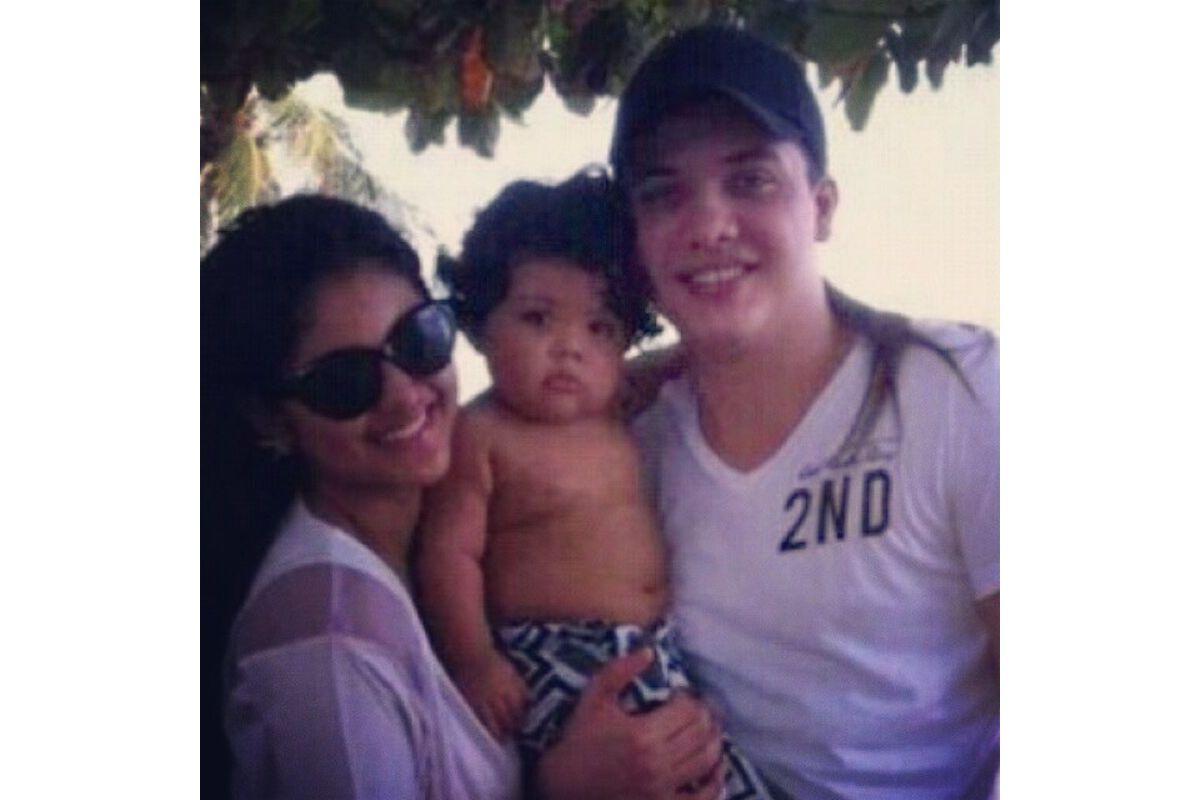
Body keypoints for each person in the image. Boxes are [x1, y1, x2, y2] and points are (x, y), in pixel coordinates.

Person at [201, 194, 724, 800]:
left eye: (418, 340)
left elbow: (627, 376)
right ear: (270, 420)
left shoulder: (411, 540)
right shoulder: (328, 647)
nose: (404, 396)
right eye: (344, 380)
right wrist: (565, 788)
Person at [610, 25, 1000, 800]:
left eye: (751, 180)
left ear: (821, 207)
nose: (708, 225)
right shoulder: (630, 453)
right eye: (663, 193)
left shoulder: (957, 390)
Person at [421, 171, 771, 799]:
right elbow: (448, 553)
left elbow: (658, 368)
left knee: (713, 776)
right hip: (558, 660)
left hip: (655, 652)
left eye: (599, 328)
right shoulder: (483, 432)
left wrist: (711, 345)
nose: (569, 349)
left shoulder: (609, 408)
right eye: (537, 319)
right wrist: (473, 660)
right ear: (479, 324)